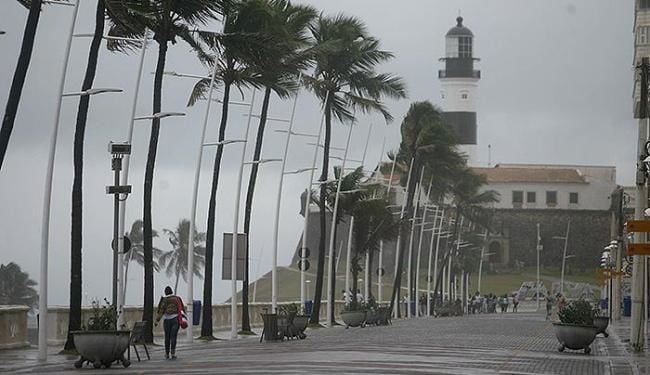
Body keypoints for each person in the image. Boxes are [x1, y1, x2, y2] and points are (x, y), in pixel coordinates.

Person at [155, 286, 186, 360]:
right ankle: (173, 353)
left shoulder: (165, 300)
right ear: (172, 291)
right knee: (173, 337)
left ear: (165, 292)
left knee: (167, 337)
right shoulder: (177, 298)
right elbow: (182, 308)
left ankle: (166, 353)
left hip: (167, 320)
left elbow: (161, 311)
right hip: (176, 319)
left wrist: (157, 320)